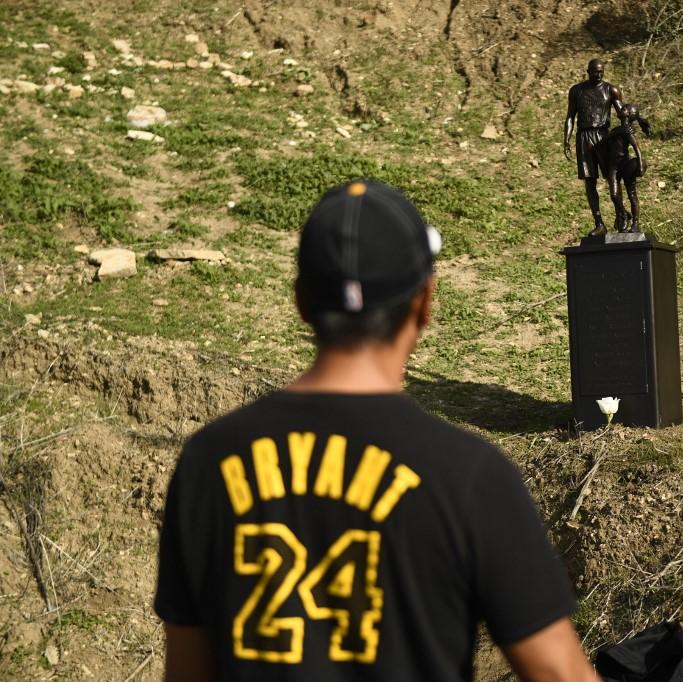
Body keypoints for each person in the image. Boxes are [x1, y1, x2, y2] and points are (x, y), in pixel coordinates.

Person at [154, 180, 600, 682]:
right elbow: (561, 673)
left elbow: (186, 672)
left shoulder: (208, 460)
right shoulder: (468, 475)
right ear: (425, 303)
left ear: (302, 302)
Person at [563, 58, 624, 236]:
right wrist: (566, 140)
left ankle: (621, 215)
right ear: (588, 71)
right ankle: (599, 222)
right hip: (584, 137)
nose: (598, 75)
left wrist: (629, 125)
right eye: (595, 71)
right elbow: (570, 116)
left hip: (603, 136)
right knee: (590, 181)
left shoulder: (611, 90)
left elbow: (622, 113)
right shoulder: (577, 91)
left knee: (612, 176)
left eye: (601, 71)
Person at [600, 103, 653, 234]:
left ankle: (635, 223)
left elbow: (636, 147)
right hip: (613, 167)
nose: (621, 109)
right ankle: (623, 213)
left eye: (625, 109)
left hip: (624, 165)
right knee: (614, 195)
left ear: (629, 115)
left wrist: (640, 164)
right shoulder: (617, 129)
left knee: (632, 194)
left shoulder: (627, 130)